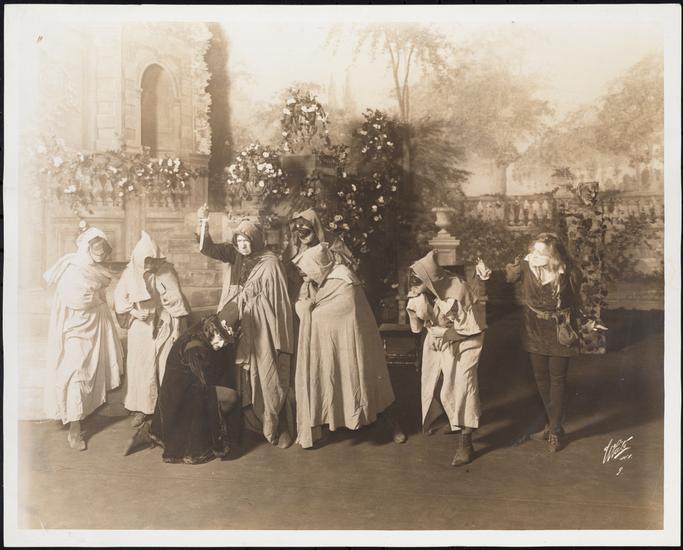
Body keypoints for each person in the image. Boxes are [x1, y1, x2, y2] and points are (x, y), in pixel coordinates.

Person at [196, 206, 295, 449]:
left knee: (266, 368)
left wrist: (253, 305)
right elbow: (207, 248)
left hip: (261, 322)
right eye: (239, 241)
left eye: (246, 241)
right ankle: (244, 422)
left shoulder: (270, 263)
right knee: (237, 368)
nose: (242, 246)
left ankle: (275, 423)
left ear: (256, 240)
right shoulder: (235, 254)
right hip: (235, 316)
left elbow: (277, 299)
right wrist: (203, 221)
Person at [293, 243, 406, 449]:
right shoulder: (314, 281)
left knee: (371, 382)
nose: (304, 274)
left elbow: (343, 309)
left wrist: (308, 310)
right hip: (331, 343)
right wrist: (306, 305)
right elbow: (309, 302)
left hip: (357, 342)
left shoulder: (344, 279)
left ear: (319, 266)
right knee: (331, 379)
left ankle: (394, 426)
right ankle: (328, 424)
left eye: (307, 270)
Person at [505, 232, 602, 452]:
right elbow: (510, 278)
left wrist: (587, 322)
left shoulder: (570, 273)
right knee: (541, 378)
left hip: (560, 329)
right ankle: (552, 424)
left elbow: (576, 302)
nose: (535, 254)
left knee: (557, 380)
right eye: (534, 250)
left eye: (542, 252)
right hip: (534, 329)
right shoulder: (527, 266)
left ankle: (555, 431)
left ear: (554, 255)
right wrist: (491, 273)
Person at [124, 306, 241, 463]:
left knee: (221, 396)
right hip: (182, 395)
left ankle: (154, 430)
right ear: (215, 328)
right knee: (231, 397)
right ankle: (190, 434)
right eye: (222, 337)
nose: (222, 343)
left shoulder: (206, 329)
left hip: (182, 390)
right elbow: (201, 385)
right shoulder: (195, 346)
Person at [406, 250, 491, 466]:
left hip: (467, 342)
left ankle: (466, 443)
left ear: (429, 279)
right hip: (444, 338)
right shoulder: (429, 291)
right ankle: (456, 421)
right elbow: (418, 327)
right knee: (442, 387)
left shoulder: (458, 292)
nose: (412, 286)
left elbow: (472, 328)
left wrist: (443, 333)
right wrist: (417, 307)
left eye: (416, 281)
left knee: (463, 388)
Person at [43, 226, 124, 451]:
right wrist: (97, 299)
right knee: (76, 372)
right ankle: (74, 429)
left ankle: (83, 413)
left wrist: (98, 298)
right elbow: (76, 299)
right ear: (86, 249)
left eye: (103, 253)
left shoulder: (95, 269)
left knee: (90, 370)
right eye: (96, 252)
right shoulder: (73, 269)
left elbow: (100, 291)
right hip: (74, 328)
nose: (100, 256)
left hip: (94, 325)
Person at [114, 231, 190, 427]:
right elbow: (120, 298)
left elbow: (175, 302)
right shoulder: (129, 273)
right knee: (140, 366)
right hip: (139, 326)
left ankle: (164, 408)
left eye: (152, 260)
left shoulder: (165, 272)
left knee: (164, 365)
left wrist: (176, 330)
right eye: (145, 260)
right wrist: (134, 312)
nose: (149, 264)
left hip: (163, 323)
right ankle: (141, 408)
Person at [282, 207, 355, 301]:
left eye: (306, 231)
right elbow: (287, 264)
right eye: (299, 230)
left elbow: (343, 263)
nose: (302, 235)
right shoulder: (296, 243)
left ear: (314, 227)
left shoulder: (331, 239)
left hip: (330, 285)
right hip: (303, 287)